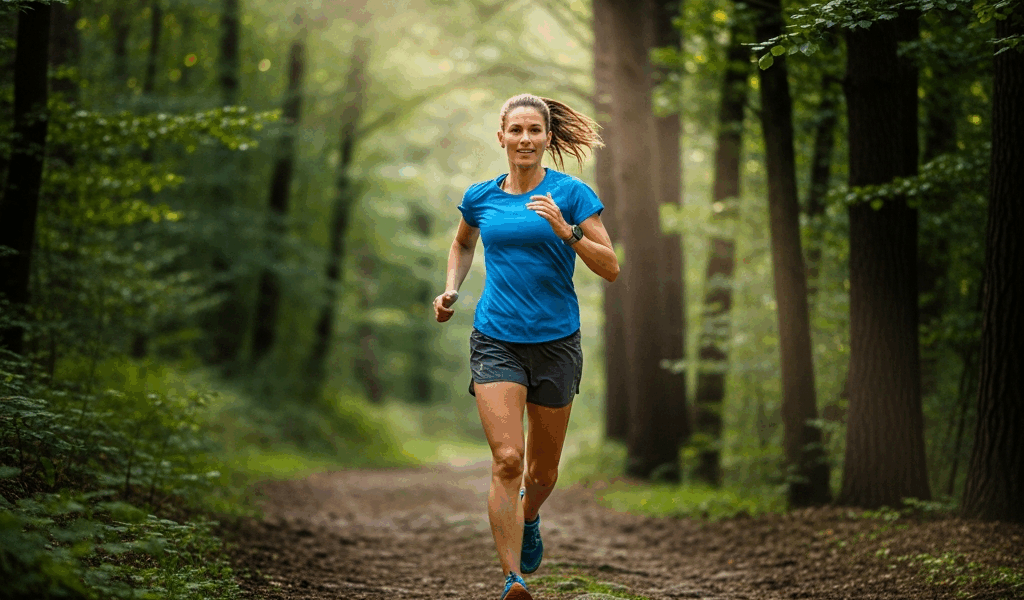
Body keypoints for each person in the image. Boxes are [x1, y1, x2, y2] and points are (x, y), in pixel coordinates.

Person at [433, 93, 619, 600]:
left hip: (557, 341)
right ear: (501, 137)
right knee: (508, 459)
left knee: (541, 471)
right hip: (496, 339)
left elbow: (611, 267)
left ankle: (530, 514)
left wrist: (568, 230)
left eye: (534, 130)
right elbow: (463, 242)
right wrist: (452, 287)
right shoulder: (480, 197)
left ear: (547, 137)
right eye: (515, 130)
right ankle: (512, 578)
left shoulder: (573, 194)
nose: (524, 139)